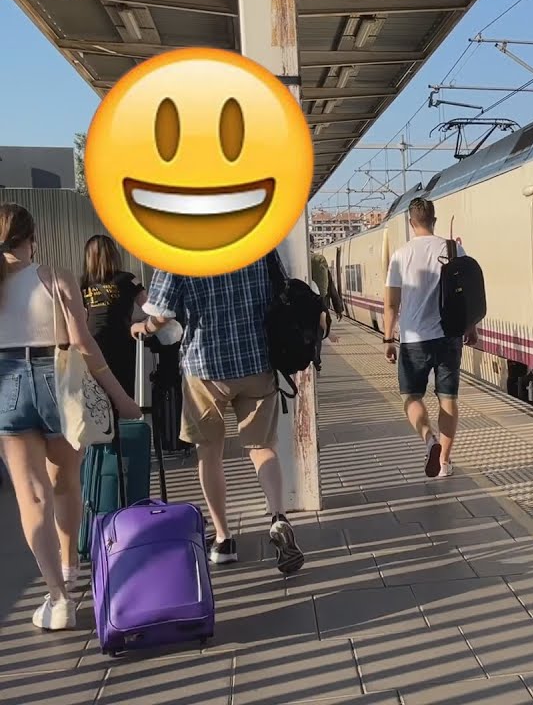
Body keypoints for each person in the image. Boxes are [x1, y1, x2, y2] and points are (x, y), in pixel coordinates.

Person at [0, 203, 140, 630]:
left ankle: (58, 599)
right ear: (31, 237)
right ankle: (71, 568)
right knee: (65, 485)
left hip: (6, 384)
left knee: (32, 498)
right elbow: (84, 345)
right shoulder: (54, 276)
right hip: (55, 380)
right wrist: (121, 399)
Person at [131, 252, 305, 574]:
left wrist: (145, 326)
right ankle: (278, 517)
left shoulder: (177, 249)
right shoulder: (258, 239)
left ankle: (224, 540)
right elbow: (279, 285)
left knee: (209, 453)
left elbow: (162, 311)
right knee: (262, 447)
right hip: (256, 361)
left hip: (204, 367)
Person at [384, 198, 477, 478]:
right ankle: (445, 463)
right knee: (448, 400)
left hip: (413, 339)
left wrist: (388, 338)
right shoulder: (453, 248)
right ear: (434, 220)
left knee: (411, 397)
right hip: (449, 337)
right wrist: (471, 327)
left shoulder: (401, 255)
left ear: (412, 223)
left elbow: (391, 304)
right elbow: (468, 293)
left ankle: (429, 440)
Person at [81, 235, 147, 398]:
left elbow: (80, 317)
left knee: (97, 397)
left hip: (93, 345)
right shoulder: (128, 279)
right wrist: (140, 324)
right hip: (121, 344)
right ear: (114, 254)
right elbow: (151, 309)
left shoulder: (84, 284)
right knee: (123, 394)